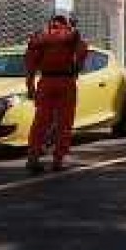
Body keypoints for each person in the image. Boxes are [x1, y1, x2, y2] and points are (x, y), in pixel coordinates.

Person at [25, 11, 89, 174]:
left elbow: (30, 62)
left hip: (45, 82)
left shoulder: (40, 37)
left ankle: (33, 157)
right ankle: (58, 159)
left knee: (40, 121)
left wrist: (30, 85)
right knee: (64, 122)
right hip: (65, 82)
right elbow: (80, 57)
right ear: (67, 22)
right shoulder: (71, 35)